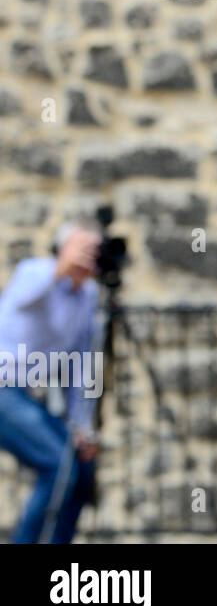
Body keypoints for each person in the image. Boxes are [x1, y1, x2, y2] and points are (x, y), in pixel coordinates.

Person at [0, 217, 103, 543]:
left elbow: (81, 365)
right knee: (58, 466)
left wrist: (80, 427)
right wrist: (60, 269)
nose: (89, 255)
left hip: (23, 394)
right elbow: (22, 298)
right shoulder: (35, 271)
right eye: (82, 247)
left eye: (95, 249)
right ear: (62, 247)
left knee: (80, 469)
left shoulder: (87, 295)